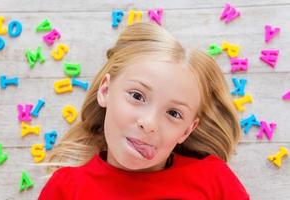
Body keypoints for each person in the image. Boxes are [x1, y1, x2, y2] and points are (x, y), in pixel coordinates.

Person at [38, 22, 250, 199]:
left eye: (174, 114)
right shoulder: (65, 188)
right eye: (137, 96)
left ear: (186, 130)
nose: (149, 123)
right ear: (105, 90)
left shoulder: (213, 179)